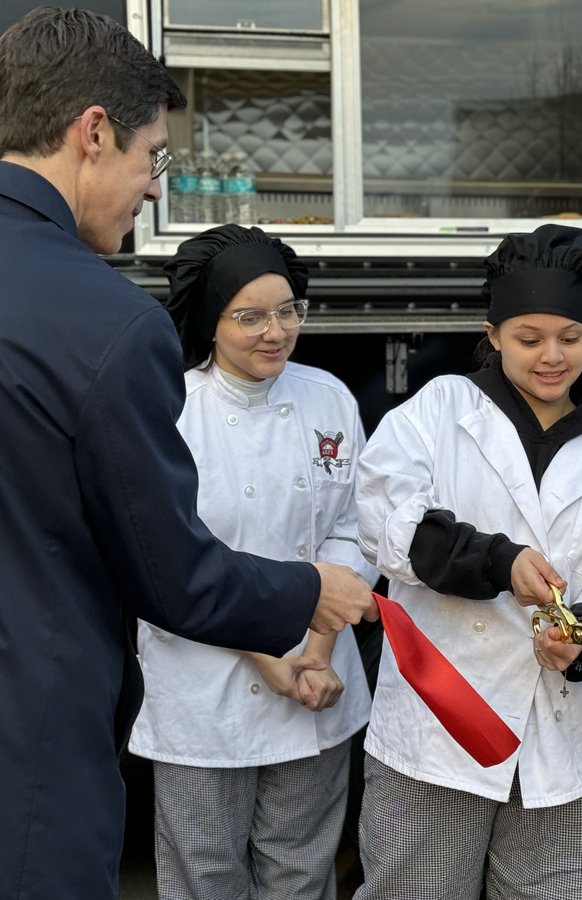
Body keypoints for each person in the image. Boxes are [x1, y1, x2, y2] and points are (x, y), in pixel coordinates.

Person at [0, 9, 376, 898]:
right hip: (31, 743)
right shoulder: (103, 323)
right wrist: (310, 594)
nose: (154, 189)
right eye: (153, 157)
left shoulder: (326, 398)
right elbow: (172, 576)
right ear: (93, 132)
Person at [353, 223, 582, 900]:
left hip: (567, 739)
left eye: (570, 338)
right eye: (529, 338)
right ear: (493, 333)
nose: (551, 357)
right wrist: (500, 561)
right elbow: (387, 518)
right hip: (442, 730)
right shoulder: (438, 413)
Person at [128, 225, 375, 899]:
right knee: (205, 873)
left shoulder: (328, 396)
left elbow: (354, 529)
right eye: (250, 317)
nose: (276, 331)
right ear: (211, 321)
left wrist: (318, 651)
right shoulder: (170, 410)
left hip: (317, 681)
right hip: (205, 684)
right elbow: (174, 556)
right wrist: (273, 654)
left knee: (301, 869)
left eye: (288, 310)